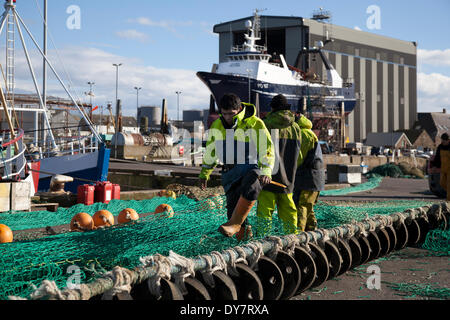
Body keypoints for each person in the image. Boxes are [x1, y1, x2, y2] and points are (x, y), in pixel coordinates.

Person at [198, 93, 275, 241]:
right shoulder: (217, 126)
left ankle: (235, 224)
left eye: (231, 114)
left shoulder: (254, 123)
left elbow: (266, 149)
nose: (227, 117)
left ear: (239, 109)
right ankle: (243, 241)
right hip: (230, 174)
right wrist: (204, 174)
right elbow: (211, 152)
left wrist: (266, 171)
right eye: (224, 113)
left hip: (250, 169)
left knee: (252, 185)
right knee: (233, 211)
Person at [256, 94, 302, 235]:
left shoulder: (265, 124)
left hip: (267, 178)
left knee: (265, 212)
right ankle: (292, 240)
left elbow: (258, 150)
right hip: (288, 179)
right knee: (289, 211)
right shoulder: (296, 128)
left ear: (272, 108)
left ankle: (262, 243)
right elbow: (299, 156)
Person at [293, 114, 325, 232]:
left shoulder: (303, 134)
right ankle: (313, 231)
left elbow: (300, 158)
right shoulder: (309, 133)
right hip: (316, 178)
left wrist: (290, 171)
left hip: (308, 177)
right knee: (308, 206)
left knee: (301, 206)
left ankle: (299, 234)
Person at [431, 133, 450, 200]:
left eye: (444, 140)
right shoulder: (440, 147)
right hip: (443, 169)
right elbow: (437, 158)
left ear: (448, 140)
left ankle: (448, 200)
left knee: (449, 184)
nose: (443, 142)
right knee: (442, 183)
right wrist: (434, 166)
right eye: (442, 140)